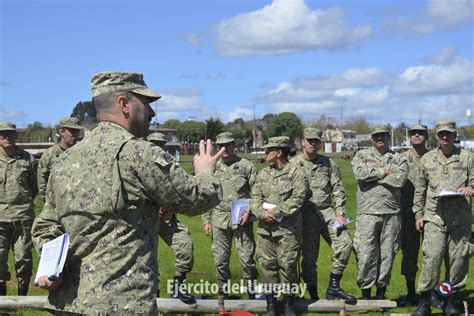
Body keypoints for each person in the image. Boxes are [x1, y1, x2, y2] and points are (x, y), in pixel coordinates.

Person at [31, 71, 224, 315]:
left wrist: (51, 268)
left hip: (68, 304)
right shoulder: (138, 153)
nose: (152, 113)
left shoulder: (64, 160)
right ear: (124, 104)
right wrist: (206, 172)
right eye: (145, 103)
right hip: (121, 304)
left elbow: (45, 225)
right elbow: (195, 200)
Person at [412, 120, 473, 316]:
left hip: (460, 219)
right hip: (434, 217)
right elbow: (420, 189)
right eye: (441, 134)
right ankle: (424, 303)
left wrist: (471, 189)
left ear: (455, 136)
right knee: (432, 258)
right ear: (436, 137)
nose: (445, 137)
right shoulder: (427, 159)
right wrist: (418, 215)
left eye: (448, 134)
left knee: (458, 261)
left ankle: (449, 302)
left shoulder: (467, 158)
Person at [291, 128, 356, 304]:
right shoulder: (293, 165)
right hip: (304, 217)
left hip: (327, 214)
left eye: (316, 141)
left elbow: (338, 190)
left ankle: (333, 286)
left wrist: (340, 213)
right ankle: (313, 296)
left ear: (320, 143)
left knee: (345, 244)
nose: (312, 143)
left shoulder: (328, 164)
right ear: (302, 142)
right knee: (309, 261)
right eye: (309, 140)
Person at [250, 136, 308, 316]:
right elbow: (255, 198)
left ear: (279, 152)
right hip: (265, 230)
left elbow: (298, 197)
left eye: (269, 150)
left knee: (288, 265)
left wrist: (277, 213)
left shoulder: (296, 172)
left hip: (287, 230)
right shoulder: (263, 174)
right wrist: (261, 213)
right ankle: (271, 305)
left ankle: (288, 304)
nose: (266, 153)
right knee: (267, 266)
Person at [352, 125, 408, 300]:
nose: (380, 138)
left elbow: (400, 180)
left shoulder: (399, 158)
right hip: (367, 212)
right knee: (366, 252)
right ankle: (366, 292)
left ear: (388, 137)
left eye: (383, 135)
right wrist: (384, 172)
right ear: (371, 139)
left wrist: (373, 177)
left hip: (391, 213)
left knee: (387, 253)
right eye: (376, 136)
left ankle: (381, 292)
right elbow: (360, 174)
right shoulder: (361, 156)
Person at [202, 132, 258, 299]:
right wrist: (206, 221)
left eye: (228, 145)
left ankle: (251, 294)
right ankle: (222, 293)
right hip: (219, 219)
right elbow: (206, 195)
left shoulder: (246, 166)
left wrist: (249, 212)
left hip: (242, 220)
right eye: (221, 146)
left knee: (247, 260)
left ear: (234, 145)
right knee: (220, 261)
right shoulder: (212, 167)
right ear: (218, 148)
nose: (225, 149)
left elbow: (257, 192)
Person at [146, 132, 195, 304]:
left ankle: (178, 286)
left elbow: (180, 189)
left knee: (184, 245)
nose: (157, 147)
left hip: (167, 217)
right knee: (145, 256)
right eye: (154, 143)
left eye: (160, 144)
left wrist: (170, 208)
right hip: (145, 218)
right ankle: (152, 291)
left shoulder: (171, 165)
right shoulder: (139, 163)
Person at [0, 122, 37, 296]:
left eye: (10, 134)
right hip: (0, 218)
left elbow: (34, 186)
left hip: (22, 216)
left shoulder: (27, 159)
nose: (6, 137)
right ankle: (1, 296)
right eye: (2, 135)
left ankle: (23, 296)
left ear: (16, 136)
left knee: (23, 257)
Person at [399, 124, 428, 306]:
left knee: (431, 254)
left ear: (426, 135)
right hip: (408, 212)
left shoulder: (434, 157)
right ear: (410, 137)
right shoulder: (401, 159)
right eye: (413, 133)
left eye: (420, 133)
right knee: (409, 252)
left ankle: (429, 292)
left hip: (431, 211)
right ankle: (410, 292)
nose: (416, 135)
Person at [37, 117, 83, 202]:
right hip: (56, 205)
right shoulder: (49, 155)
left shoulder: (82, 154)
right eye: (72, 131)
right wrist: (48, 201)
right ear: (62, 132)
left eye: (77, 131)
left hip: (77, 204)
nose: (75, 135)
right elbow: (41, 180)